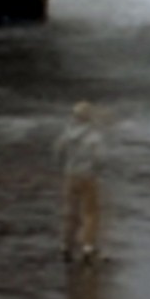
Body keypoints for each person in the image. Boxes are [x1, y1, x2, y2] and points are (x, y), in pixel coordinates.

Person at [57, 101, 106, 263]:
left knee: (70, 212)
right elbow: (100, 158)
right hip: (88, 176)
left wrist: (64, 167)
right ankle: (88, 248)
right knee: (91, 213)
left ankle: (66, 246)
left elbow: (58, 151)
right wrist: (98, 171)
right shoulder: (94, 135)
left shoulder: (67, 133)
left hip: (69, 175)